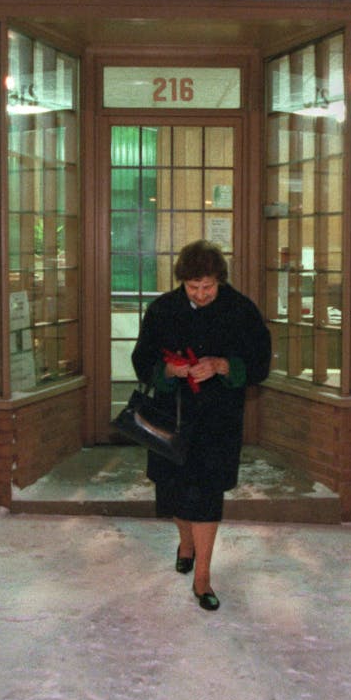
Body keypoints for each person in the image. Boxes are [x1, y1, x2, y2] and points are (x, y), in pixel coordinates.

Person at [131, 240, 271, 611]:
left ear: (219, 280)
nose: (201, 294)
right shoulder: (162, 310)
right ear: (182, 283)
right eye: (193, 288)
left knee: (208, 496)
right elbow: (141, 358)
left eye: (208, 286)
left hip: (218, 420)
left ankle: (203, 578)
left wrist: (225, 366)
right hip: (171, 416)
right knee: (174, 494)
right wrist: (167, 371)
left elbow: (260, 363)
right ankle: (186, 542)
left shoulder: (241, 310)